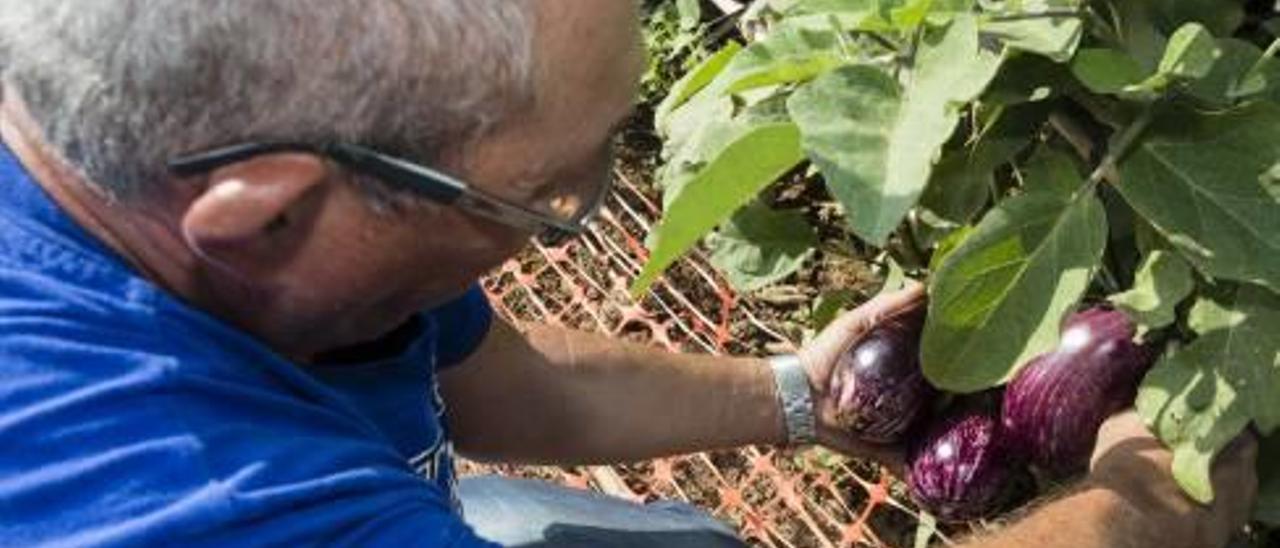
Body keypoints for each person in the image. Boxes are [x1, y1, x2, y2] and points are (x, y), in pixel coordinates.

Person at [0, 1, 1256, 547]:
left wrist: (802, 393)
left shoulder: (151, 173)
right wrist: (1143, 513)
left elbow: (493, 381)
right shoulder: (168, 501)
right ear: (265, 214)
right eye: (556, 192)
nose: (578, 209)